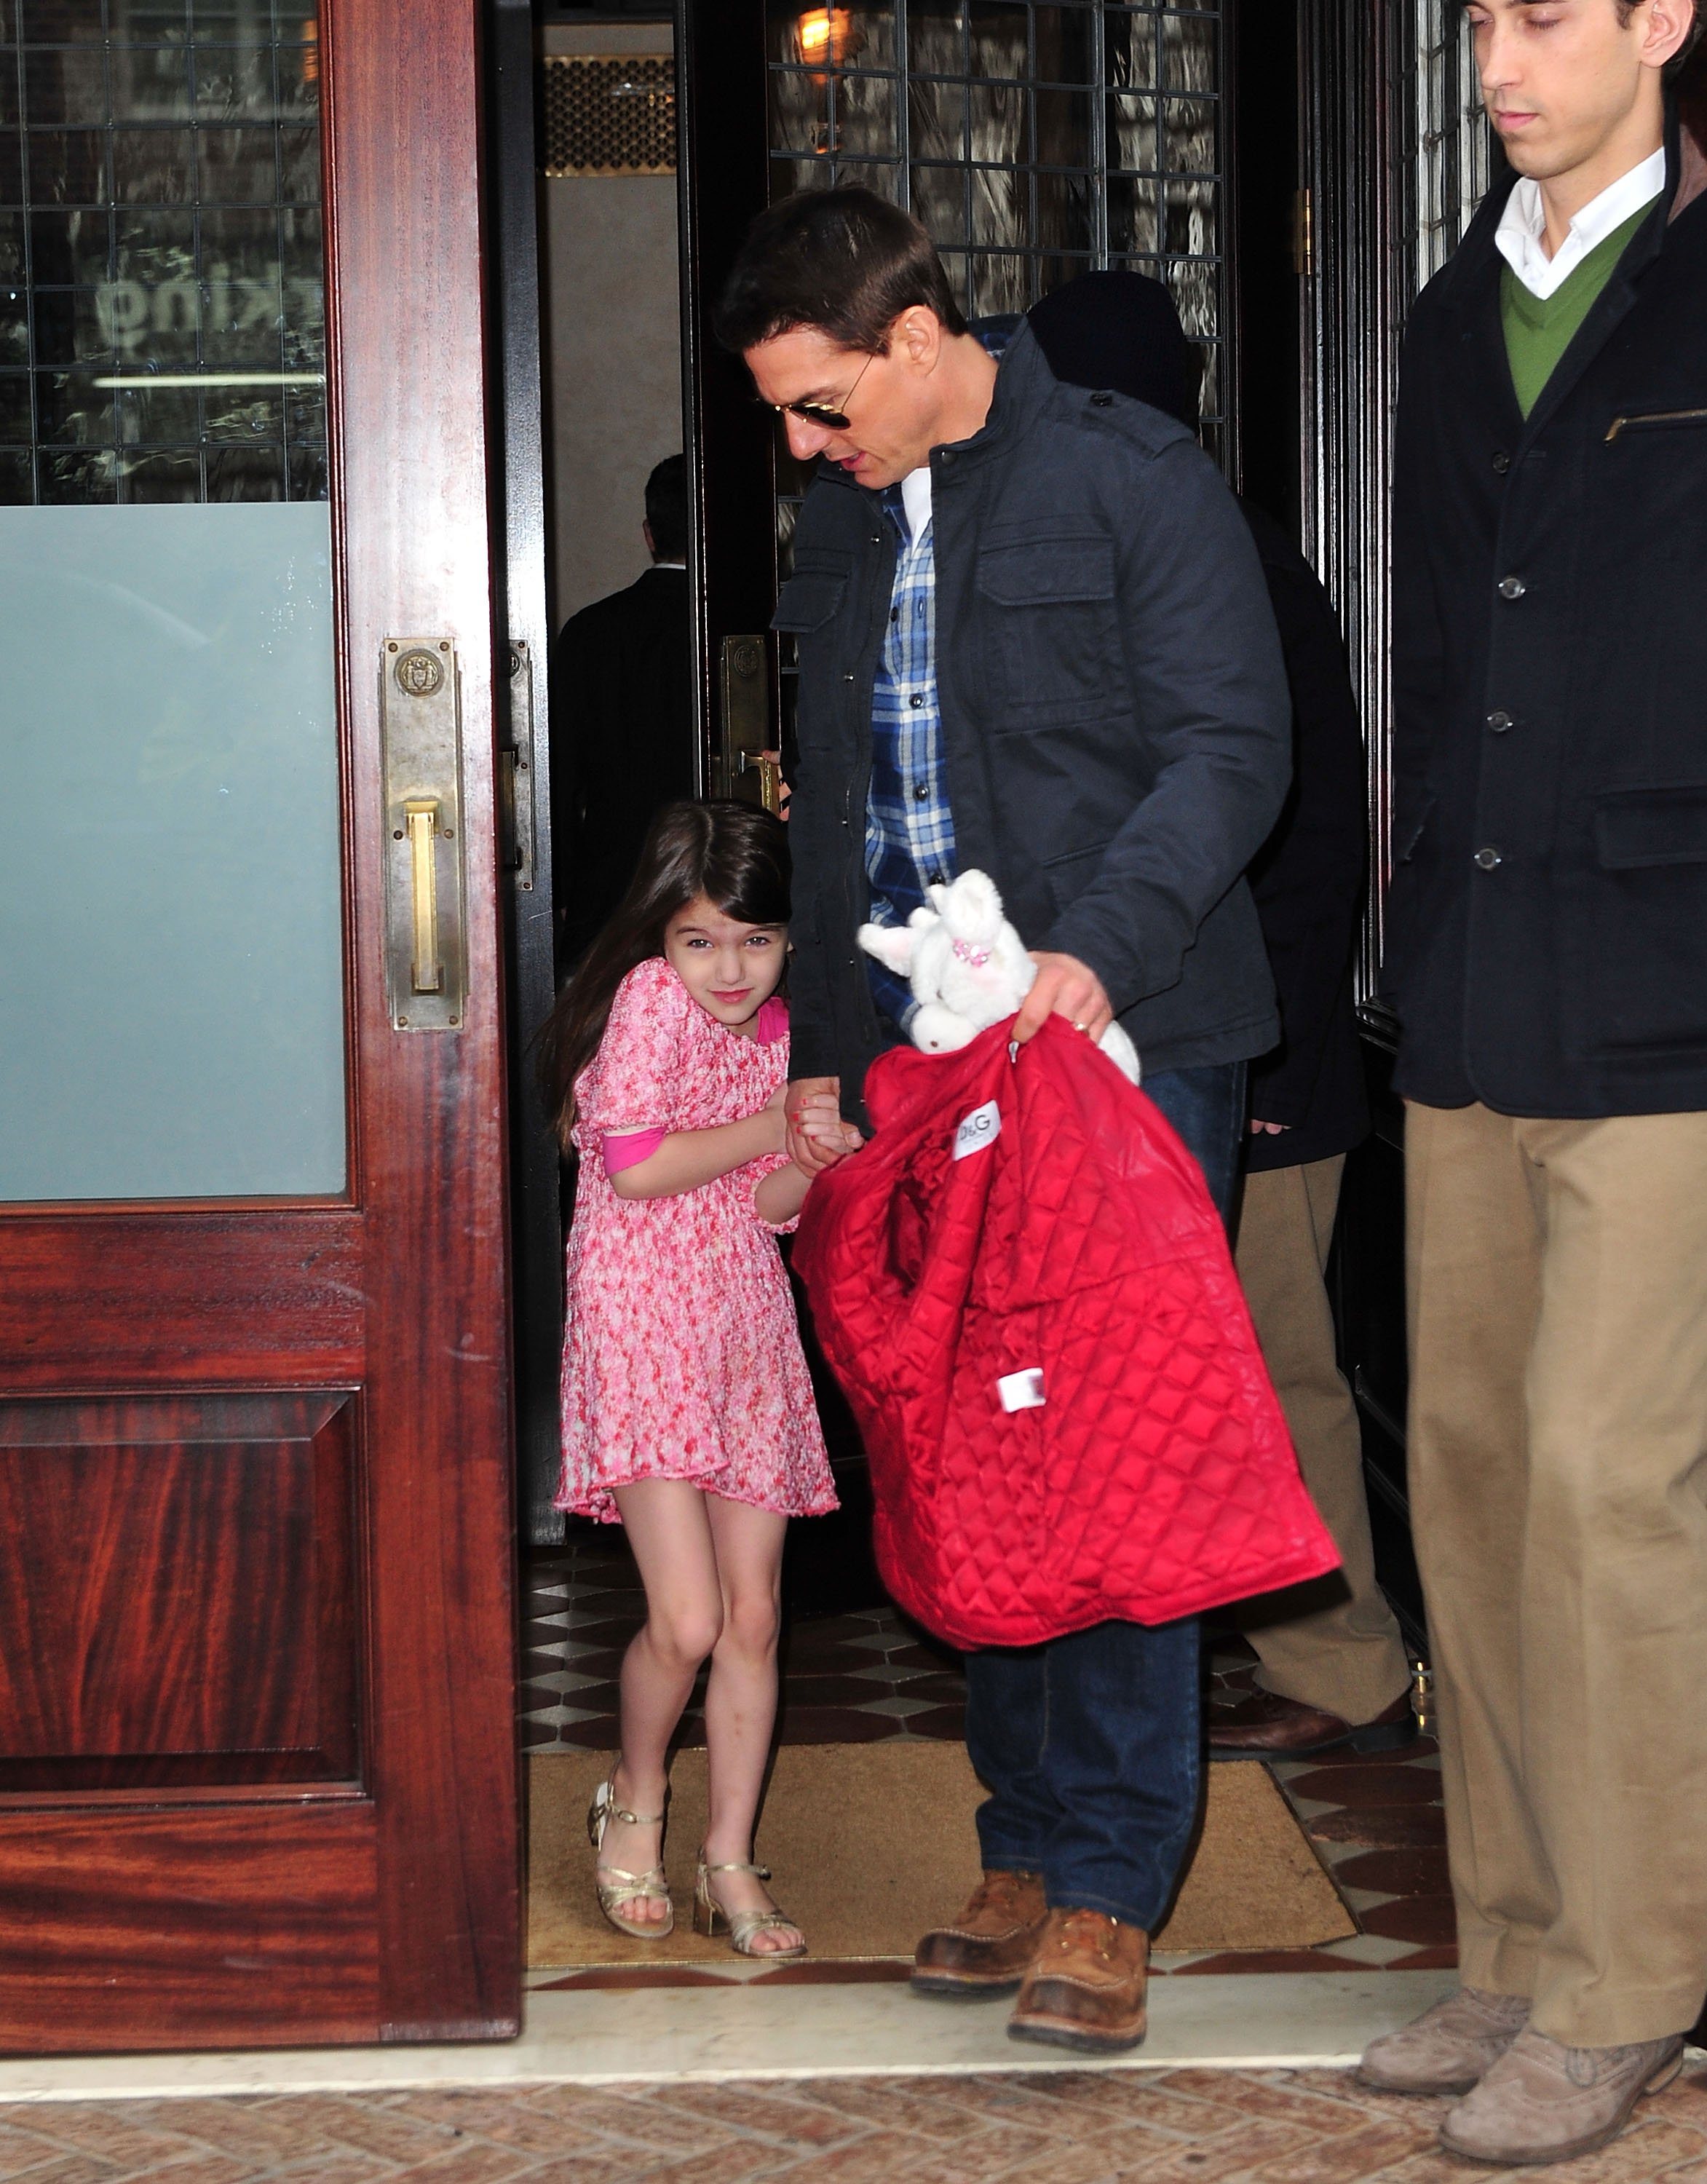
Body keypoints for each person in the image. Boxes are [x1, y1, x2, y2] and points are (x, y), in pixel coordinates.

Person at [716, 188, 1293, 2051]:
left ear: (911, 336)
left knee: (1108, 1455)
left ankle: (1116, 1879)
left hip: (1120, 1041)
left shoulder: (1133, 478)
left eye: (821, 407)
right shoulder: (837, 527)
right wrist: (816, 1038)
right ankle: (1027, 1838)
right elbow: (824, 820)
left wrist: (1099, 955)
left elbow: (1234, 748)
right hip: (920, 1061)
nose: (806, 448)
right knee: (963, 1448)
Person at [1356, 0, 1707, 2164]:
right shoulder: (1440, 312)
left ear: (1662, 20)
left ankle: (1628, 1977)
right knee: (1467, 1479)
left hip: (1665, 980)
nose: (1500, 51)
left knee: (1604, 1487)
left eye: (1547, 13)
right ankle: (1508, 1932)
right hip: (1470, 989)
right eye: (1478, 14)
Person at [1024, 272, 1415, 1762]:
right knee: (1197, 1377)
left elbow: (1305, 849)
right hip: (1181, 1048)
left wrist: (1263, 1063)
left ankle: (1342, 1673)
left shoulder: (1216, 552)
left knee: (1270, 1369)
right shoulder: (1162, 533)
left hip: (1254, 1055)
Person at [539, 799, 840, 1958]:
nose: (730, 968)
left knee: (756, 1615)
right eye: (703, 938)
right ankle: (634, 1799)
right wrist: (775, 1122)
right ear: (662, 938)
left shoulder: (773, 1029)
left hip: (741, 1323)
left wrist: (806, 1165)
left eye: (756, 942)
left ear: (789, 941)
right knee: (688, 1616)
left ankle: (728, 1859)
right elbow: (640, 1165)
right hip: (644, 1325)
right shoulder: (650, 1003)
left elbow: (760, 1211)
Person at [550, 454, 695, 970]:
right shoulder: (749, 630)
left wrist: (561, 886)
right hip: (718, 877)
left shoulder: (589, 631)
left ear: (649, 534)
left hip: (611, 881)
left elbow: (559, 775)